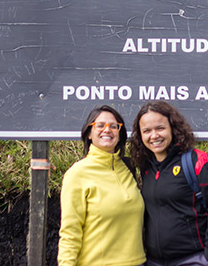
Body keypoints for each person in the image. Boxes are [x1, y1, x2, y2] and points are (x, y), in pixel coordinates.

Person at [130, 101, 208, 266]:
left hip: (193, 259)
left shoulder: (196, 160)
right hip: (153, 261)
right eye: (147, 131)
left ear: (173, 128)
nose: (154, 135)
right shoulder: (145, 166)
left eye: (160, 128)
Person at [58, 105, 146, 266]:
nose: (107, 130)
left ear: (120, 134)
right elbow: (70, 231)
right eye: (100, 125)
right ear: (89, 133)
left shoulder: (128, 168)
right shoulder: (77, 174)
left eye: (114, 126)